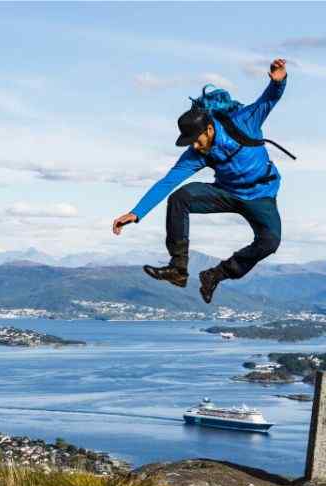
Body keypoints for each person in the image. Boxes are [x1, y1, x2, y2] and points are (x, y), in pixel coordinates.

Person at [111, 58, 290, 304]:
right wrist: (136, 212)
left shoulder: (244, 122)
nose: (195, 147)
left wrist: (278, 82)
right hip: (226, 192)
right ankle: (177, 269)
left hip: (261, 195)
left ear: (208, 130)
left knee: (270, 242)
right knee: (180, 198)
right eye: (190, 143)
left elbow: (268, 100)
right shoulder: (196, 153)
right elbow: (167, 182)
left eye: (196, 140)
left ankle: (216, 274)